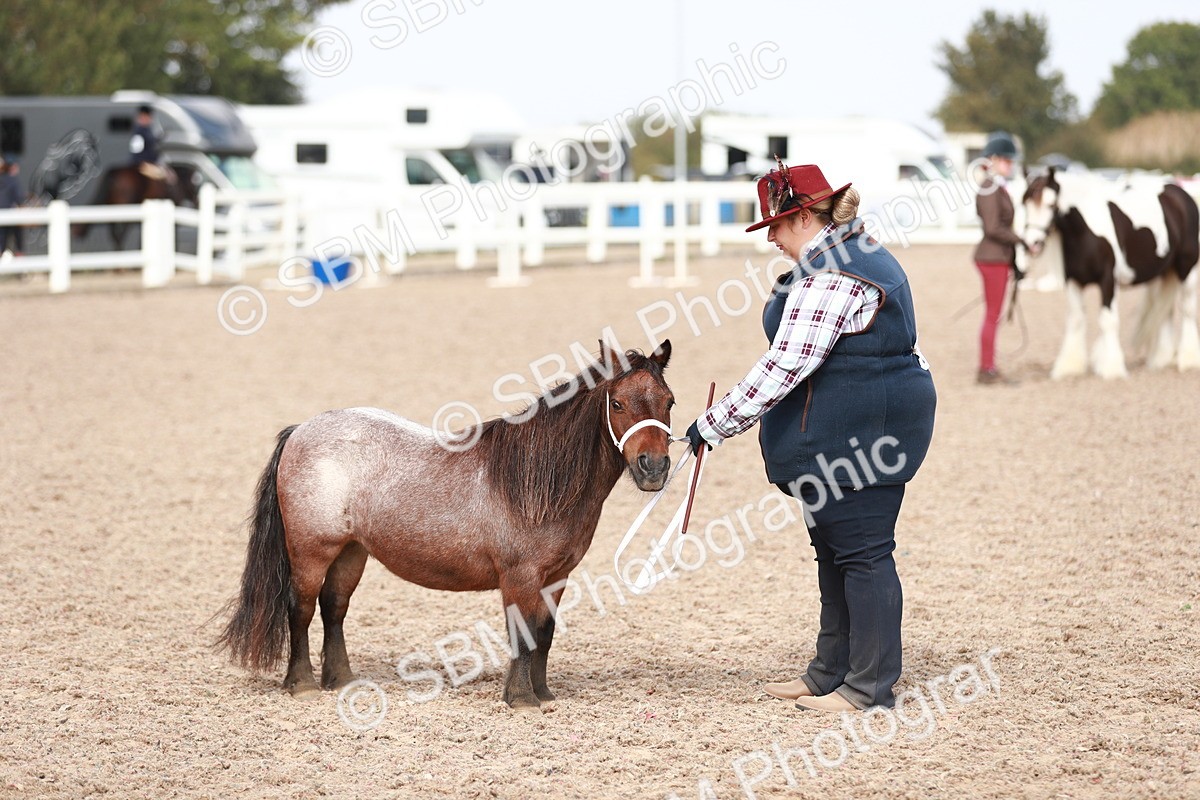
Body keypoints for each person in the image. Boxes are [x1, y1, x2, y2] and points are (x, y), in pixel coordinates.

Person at [685, 161, 936, 712]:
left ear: (802, 217)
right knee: (836, 549)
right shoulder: (849, 258)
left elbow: (785, 367)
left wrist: (714, 424)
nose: (771, 238)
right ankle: (829, 672)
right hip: (856, 432)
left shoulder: (831, 276)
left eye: (774, 225)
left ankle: (868, 688)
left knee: (864, 553)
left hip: (861, 437)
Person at [973, 132, 1032, 385]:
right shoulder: (989, 187)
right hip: (992, 258)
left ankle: (988, 366)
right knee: (992, 314)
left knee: (993, 313)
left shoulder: (995, 186)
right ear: (994, 159)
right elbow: (993, 228)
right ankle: (987, 369)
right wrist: (1021, 241)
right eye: (1007, 160)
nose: (1011, 165)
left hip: (998, 257)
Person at [129, 105, 166, 180]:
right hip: (143, 164)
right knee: (163, 176)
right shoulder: (139, 131)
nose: (150, 119)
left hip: (150, 162)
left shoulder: (147, 130)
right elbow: (136, 150)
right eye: (148, 117)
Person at [0, 156, 24, 257]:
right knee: (17, 243)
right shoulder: (11, 180)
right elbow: (18, 198)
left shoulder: (10, 180)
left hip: (7, 216)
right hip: (10, 215)